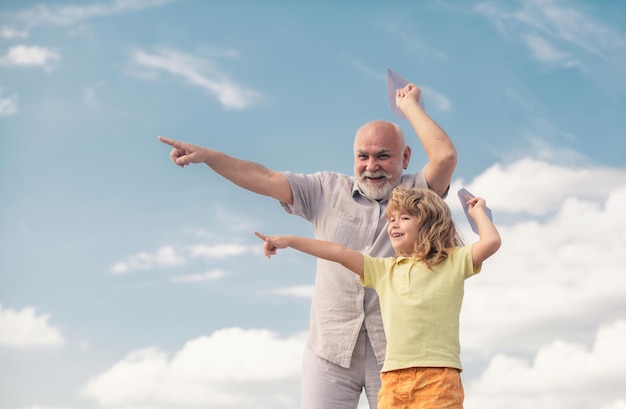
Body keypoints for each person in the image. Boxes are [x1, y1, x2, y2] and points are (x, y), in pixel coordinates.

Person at [158, 82, 457, 408]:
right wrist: (209, 157)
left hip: (397, 352)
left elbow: (445, 156)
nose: (371, 166)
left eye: (383, 156)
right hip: (329, 349)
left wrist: (409, 105)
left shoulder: (419, 194)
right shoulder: (325, 189)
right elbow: (265, 177)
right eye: (363, 156)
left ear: (405, 156)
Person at [254, 187, 501, 408]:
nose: (394, 224)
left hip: (437, 378)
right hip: (392, 379)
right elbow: (338, 252)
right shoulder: (383, 270)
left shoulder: (453, 261)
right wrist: (288, 240)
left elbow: (490, 241)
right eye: (391, 219)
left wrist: (478, 212)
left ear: (429, 225)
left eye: (405, 218)